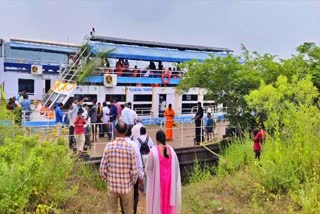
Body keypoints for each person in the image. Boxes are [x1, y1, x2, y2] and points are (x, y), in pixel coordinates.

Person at [99, 121, 137, 214]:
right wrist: (132, 181)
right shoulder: (130, 147)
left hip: (112, 187)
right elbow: (134, 171)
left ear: (115, 131)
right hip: (126, 187)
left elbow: (102, 169)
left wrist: (107, 179)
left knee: (111, 211)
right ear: (126, 131)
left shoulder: (109, 146)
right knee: (128, 211)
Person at [146, 130, 181, 214]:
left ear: (157, 139)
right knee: (168, 202)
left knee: (158, 202)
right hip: (170, 182)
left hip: (159, 183)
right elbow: (176, 167)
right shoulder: (172, 151)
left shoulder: (153, 152)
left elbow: (148, 168)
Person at [121, 126, 144, 214]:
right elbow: (139, 160)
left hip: (122, 175)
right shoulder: (134, 144)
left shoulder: (118, 144)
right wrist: (141, 175)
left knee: (123, 196)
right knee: (134, 195)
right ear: (130, 133)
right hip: (134, 176)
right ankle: (133, 211)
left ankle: (124, 211)